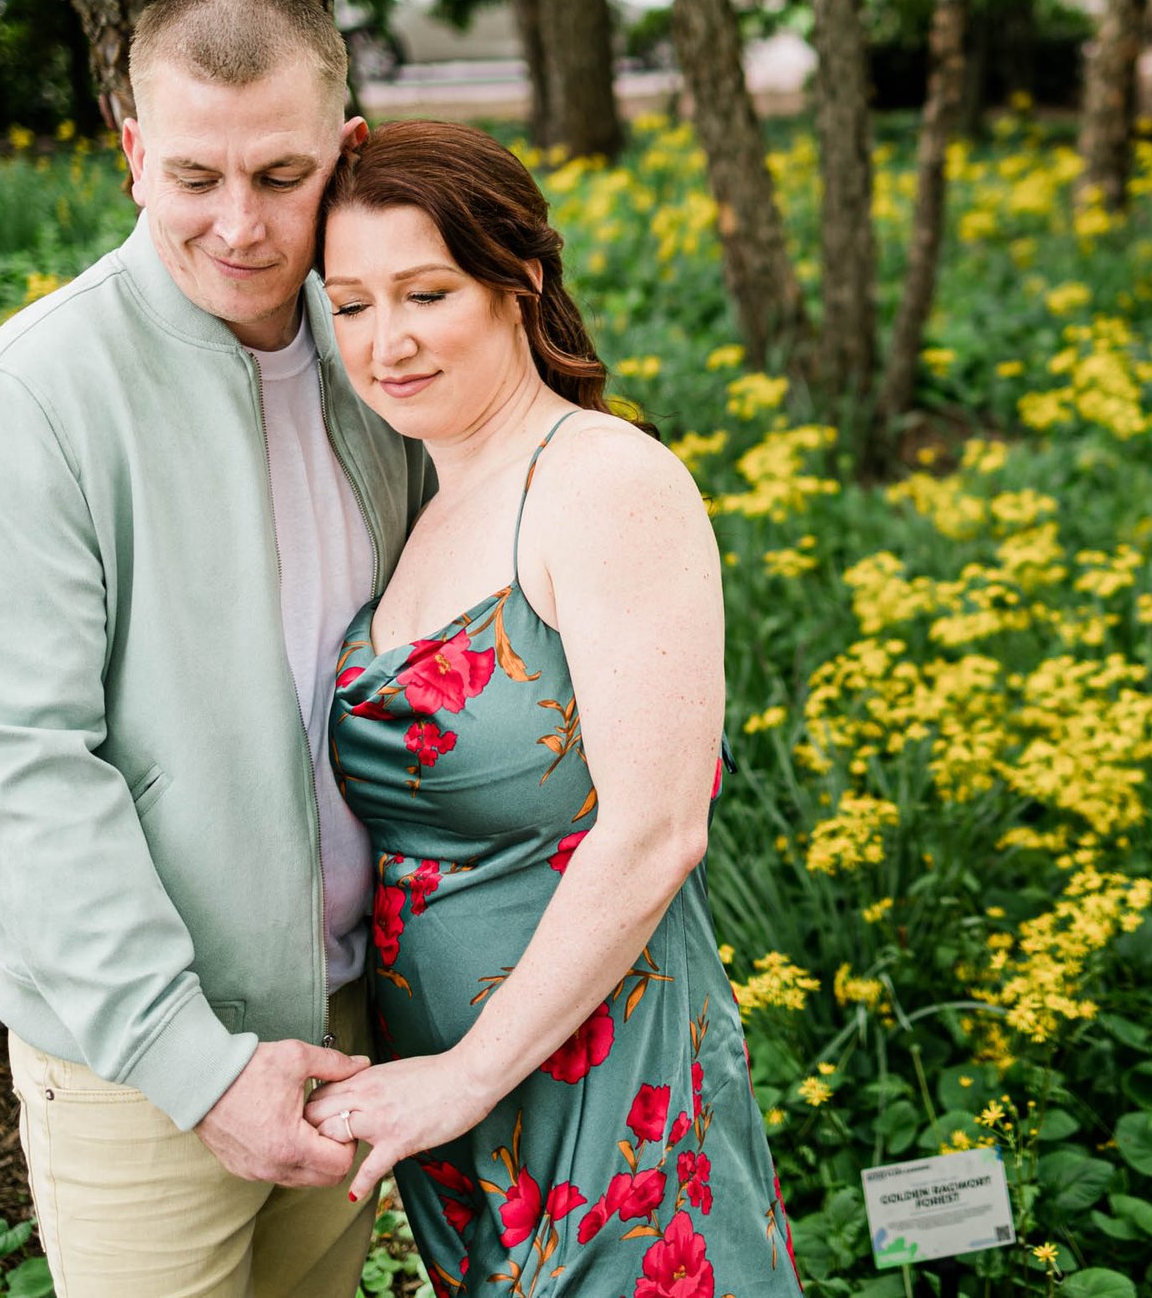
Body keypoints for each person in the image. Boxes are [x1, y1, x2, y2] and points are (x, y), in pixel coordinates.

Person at [0, 0, 431, 1296]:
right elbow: (23, 770)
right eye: (195, 174)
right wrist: (194, 1061)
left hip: (353, 1021)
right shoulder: (21, 405)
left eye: (282, 173)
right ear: (133, 150)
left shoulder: (384, 362)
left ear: (346, 155)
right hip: (142, 1061)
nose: (241, 225)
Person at [302, 121, 803, 1298]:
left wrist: (466, 1072)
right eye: (354, 303)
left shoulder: (601, 482)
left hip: (592, 1073)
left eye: (425, 292)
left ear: (518, 280)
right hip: (464, 1103)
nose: (388, 340)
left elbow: (657, 828)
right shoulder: (423, 492)